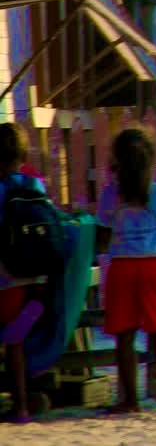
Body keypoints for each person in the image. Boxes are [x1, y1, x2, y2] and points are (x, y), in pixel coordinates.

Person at [96, 127, 156, 413]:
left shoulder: (110, 196)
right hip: (153, 266)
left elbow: (102, 238)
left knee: (124, 334)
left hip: (122, 267)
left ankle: (130, 400)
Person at [0, 125, 46, 424]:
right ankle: (28, 397)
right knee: (18, 337)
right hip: (37, 276)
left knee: (12, 342)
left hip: (7, 276)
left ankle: (20, 406)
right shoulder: (35, 185)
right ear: (24, 154)